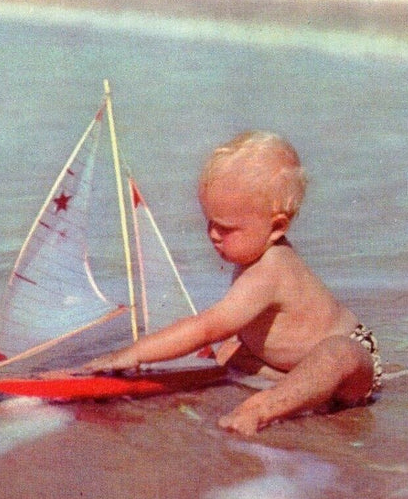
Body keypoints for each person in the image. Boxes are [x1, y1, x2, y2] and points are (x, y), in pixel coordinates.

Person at [84, 131, 383, 435]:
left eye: (225, 228)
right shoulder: (254, 257)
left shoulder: (270, 270)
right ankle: (290, 386)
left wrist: (134, 353)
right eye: (209, 222)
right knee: (229, 351)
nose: (213, 234)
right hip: (294, 366)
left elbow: (205, 327)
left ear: (277, 227)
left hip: (353, 367)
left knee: (338, 352)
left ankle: (263, 407)